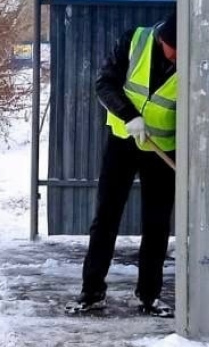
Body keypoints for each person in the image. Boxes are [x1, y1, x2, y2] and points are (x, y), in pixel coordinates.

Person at [67, 13, 178, 317]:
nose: (177, 57)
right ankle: (92, 292)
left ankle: (150, 295)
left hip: (163, 150)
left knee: (156, 224)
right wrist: (129, 115)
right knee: (106, 217)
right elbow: (104, 83)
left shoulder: (192, 58)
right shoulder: (135, 41)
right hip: (124, 142)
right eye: (173, 50)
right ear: (162, 39)